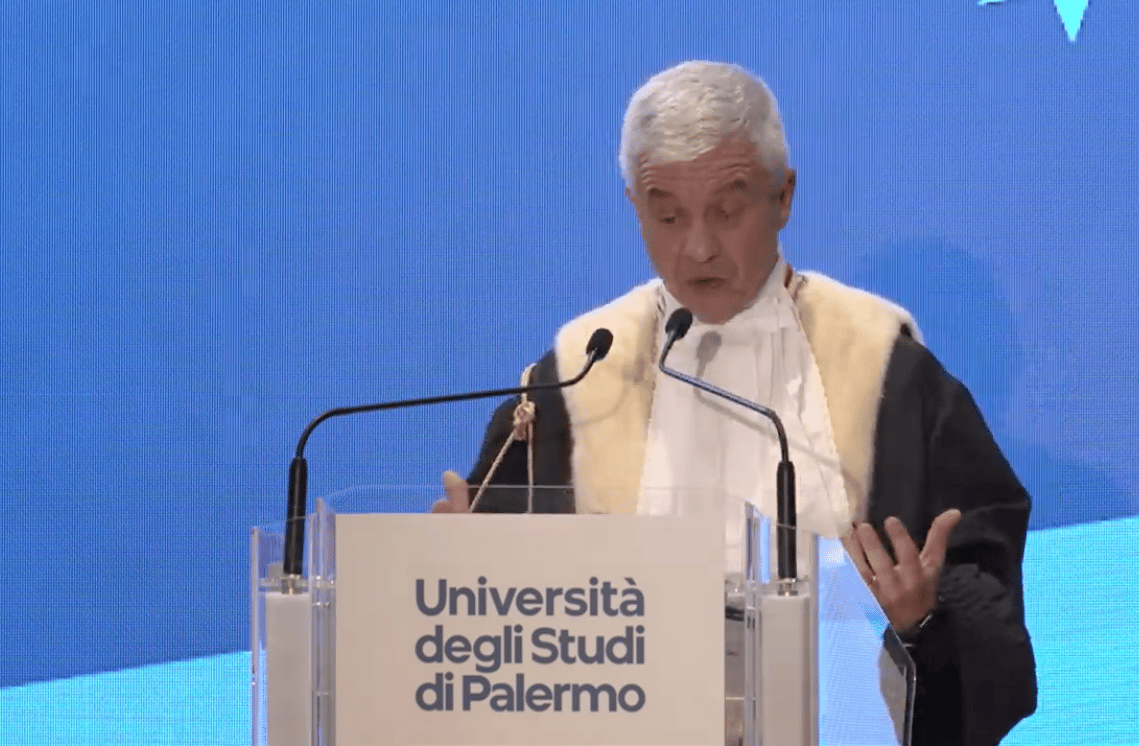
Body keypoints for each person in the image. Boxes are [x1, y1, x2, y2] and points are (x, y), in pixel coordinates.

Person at [434, 60, 1037, 746]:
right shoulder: (580, 376)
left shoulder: (883, 373)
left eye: (726, 211)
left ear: (783, 197)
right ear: (634, 207)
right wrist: (460, 578)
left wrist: (923, 625)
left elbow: (984, 609)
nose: (697, 248)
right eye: (667, 216)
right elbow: (510, 644)